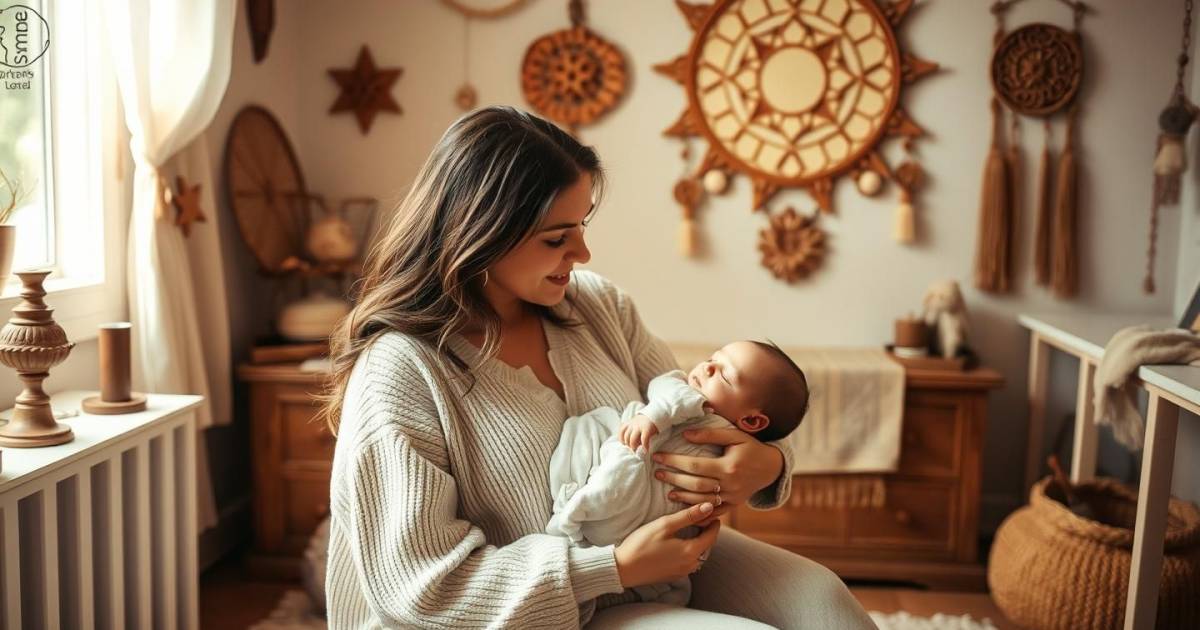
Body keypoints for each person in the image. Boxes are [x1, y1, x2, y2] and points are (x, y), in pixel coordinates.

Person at [320, 105, 876, 629]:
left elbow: (711, 405)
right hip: (520, 609)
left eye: (582, 225)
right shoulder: (400, 372)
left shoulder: (597, 306)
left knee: (822, 600)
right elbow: (421, 587)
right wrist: (613, 568)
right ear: (480, 237)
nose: (582, 254)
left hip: (646, 565)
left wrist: (769, 462)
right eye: (558, 238)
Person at [546, 341, 810, 606]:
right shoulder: (687, 397)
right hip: (609, 544)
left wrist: (772, 462)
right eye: (712, 358)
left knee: (822, 592)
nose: (707, 367)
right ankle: (588, 512)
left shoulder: (611, 312)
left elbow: (775, 430)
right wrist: (653, 416)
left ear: (752, 422)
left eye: (725, 375)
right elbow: (668, 385)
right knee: (621, 467)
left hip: (661, 536)